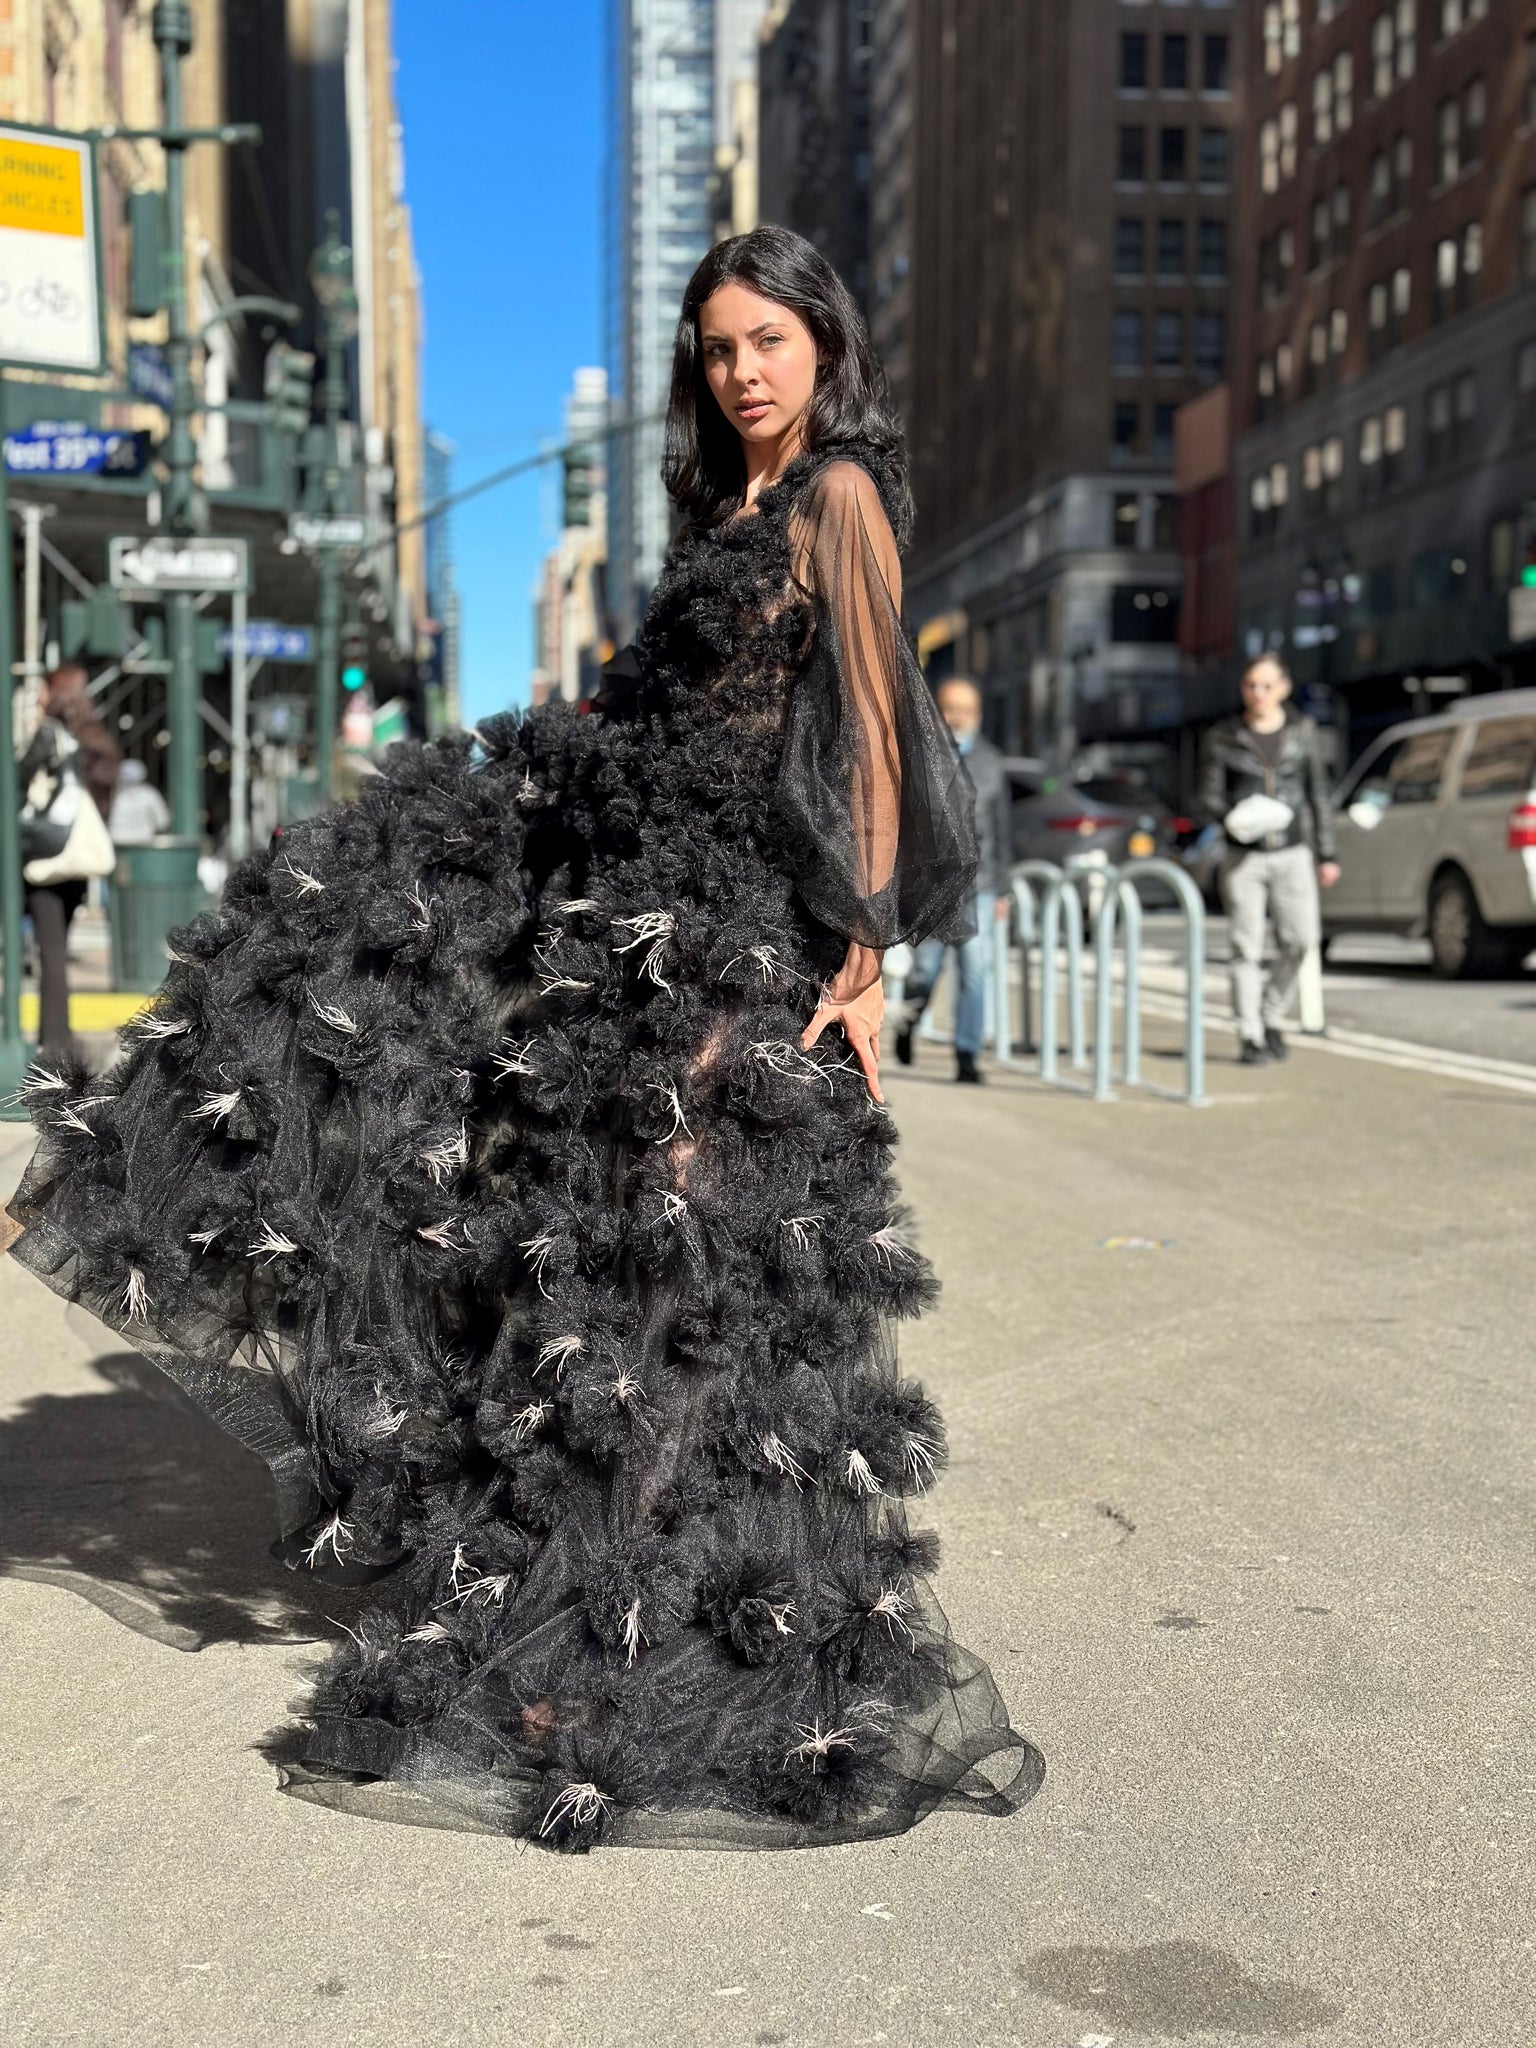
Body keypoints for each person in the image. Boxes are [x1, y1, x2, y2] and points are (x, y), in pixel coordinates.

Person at [7, 225, 1042, 1853]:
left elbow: (873, 714)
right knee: (511, 1176)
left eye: (766, 338)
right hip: (618, 888)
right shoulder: (738, 508)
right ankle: (592, 1610)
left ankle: (607, 1638)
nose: (742, 370)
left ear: (822, 345)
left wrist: (863, 945)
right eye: (716, 348)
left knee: (654, 1291)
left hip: (725, 933)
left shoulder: (839, 496)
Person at [1197, 654, 1339, 1064]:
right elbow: (1207, 795)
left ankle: (1270, 1012)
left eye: (1266, 685)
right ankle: (1250, 1035)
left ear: (1284, 687)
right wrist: (1232, 819)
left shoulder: (1303, 734)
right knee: (1246, 946)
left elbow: (1319, 797)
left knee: (1301, 940)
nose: (1258, 694)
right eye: (1250, 686)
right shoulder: (1224, 737)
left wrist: (1327, 853)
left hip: (1292, 851)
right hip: (1245, 857)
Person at [894, 676, 1011, 1083]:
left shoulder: (993, 763)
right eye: (950, 707)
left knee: (976, 973)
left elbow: (1002, 830)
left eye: (966, 708)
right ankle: (908, 1020)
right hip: (934, 886)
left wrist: (1005, 890)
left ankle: (967, 1055)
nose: (958, 716)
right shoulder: (921, 757)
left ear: (977, 715)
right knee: (925, 971)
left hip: (981, 885)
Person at [15, 665, 119, 1054]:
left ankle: (54, 1041)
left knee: (50, 949)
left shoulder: (49, 734)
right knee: (56, 946)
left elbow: (19, 782)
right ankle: (57, 1035)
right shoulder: (94, 738)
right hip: (77, 858)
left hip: (45, 854)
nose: (37, 697)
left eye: (41, 691)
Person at [107, 758, 171, 846]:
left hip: (116, 844)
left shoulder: (112, 794)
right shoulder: (150, 794)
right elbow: (162, 822)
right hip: (143, 845)